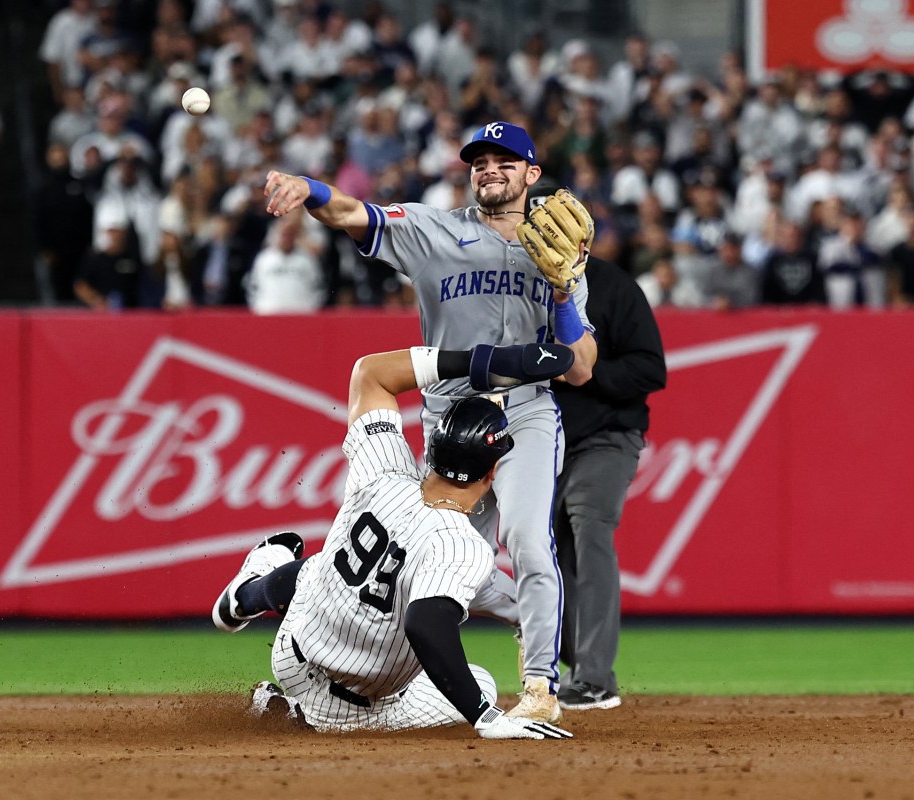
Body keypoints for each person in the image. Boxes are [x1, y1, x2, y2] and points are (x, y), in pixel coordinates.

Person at [263, 120, 599, 723]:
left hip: (524, 410)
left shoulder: (557, 249)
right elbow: (351, 215)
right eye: (480, 161)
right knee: (437, 556)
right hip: (449, 417)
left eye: (505, 160)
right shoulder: (433, 230)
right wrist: (308, 188)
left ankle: (542, 684)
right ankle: (523, 619)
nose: (490, 169)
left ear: (532, 174)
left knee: (525, 538)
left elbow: (580, 370)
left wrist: (562, 290)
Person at [213, 342, 577, 738]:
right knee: (481, 683)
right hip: (348, 707)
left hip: (292, 648)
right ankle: (292, 714)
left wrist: (481, 361)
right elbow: (425, 624)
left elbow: (370, 374)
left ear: (434, 447)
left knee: (322, 567)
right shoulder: (461, 545)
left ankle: (243, 597)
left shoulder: (384, 470)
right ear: (492, 473)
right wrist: (484, 717)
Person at [552, 251, 666, 711]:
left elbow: (649, 369)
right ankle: (575, 658)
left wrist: (583, 370)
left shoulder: (612, 285)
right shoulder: (516, 285)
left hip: (607, 436)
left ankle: (594, 676)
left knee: (590, 529)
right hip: (546, 440)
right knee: (543, 545)